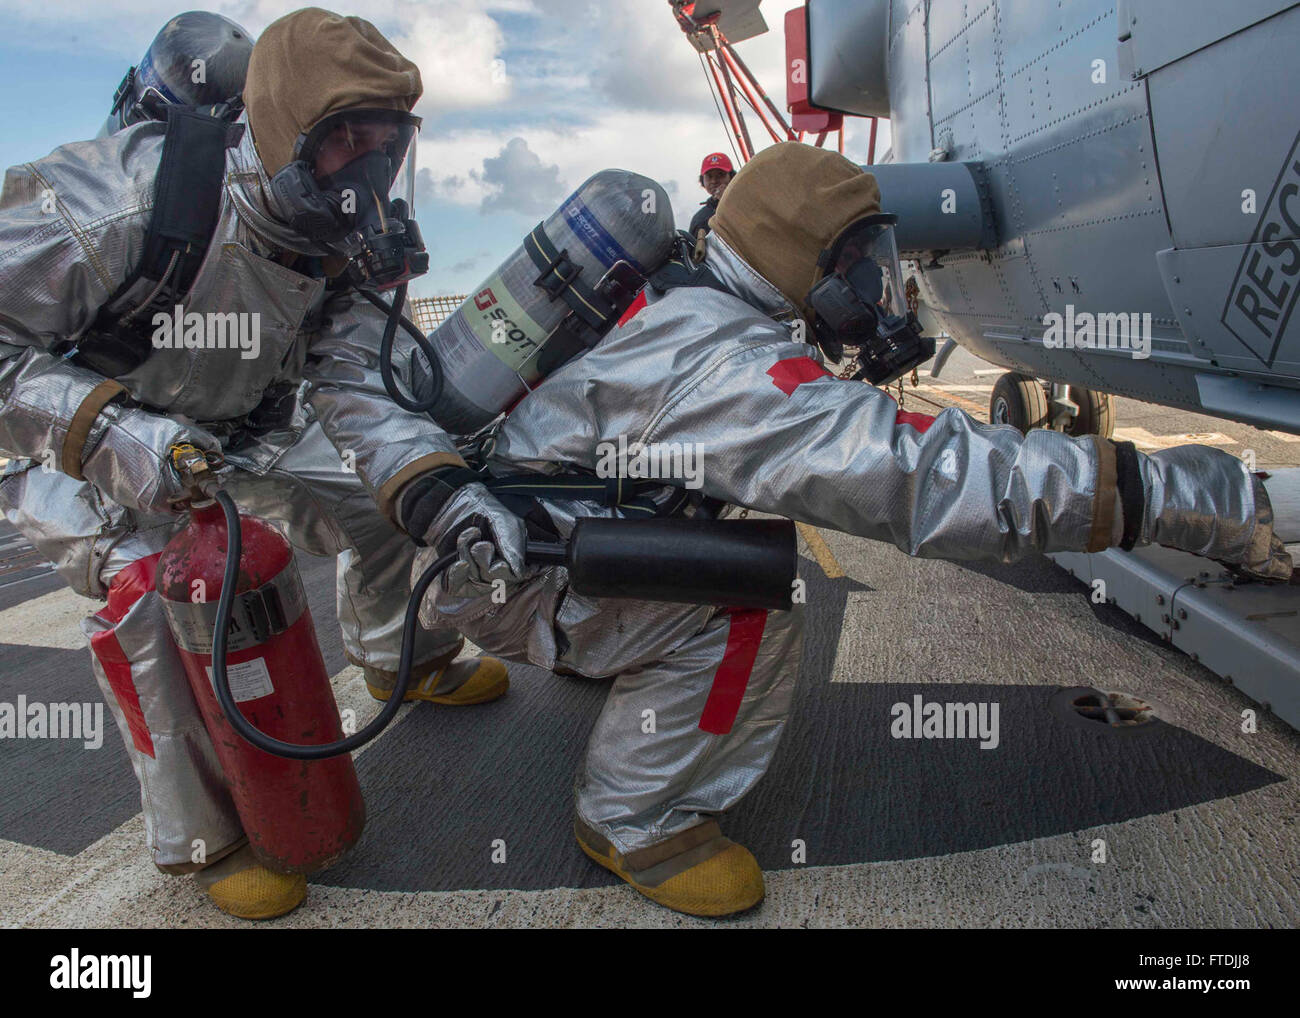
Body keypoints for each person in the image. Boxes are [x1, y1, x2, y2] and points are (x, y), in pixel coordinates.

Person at [410, 142, 1294, 919]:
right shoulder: (733, 369)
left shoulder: (669, 292)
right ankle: (636, 820)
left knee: (710, 536)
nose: (875, 285)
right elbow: (933, 479)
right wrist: (1203, 499)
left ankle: (422, 659)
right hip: (521, 571)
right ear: (807, 263)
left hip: (480, 541)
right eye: (858, 263)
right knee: (753, 607)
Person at [0, 8, 508, 920]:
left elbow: (351, 382)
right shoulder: (105, 203)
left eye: (383, 144)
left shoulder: (338, 235)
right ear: (276, 129)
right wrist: (115, 434)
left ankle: (408, 656)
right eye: (341, 140)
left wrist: (431, 485)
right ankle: (207, 836)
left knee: (375, 500)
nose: (364, 169)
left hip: (238, 430)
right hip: (76, 451)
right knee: (160, 595)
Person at [688, 151, 735, 240]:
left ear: (732, 177)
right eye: (709, 176)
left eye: (720, 175)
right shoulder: (700, 219)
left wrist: (726, 202)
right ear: (703, 180)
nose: (714, 181)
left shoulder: (746, 206)